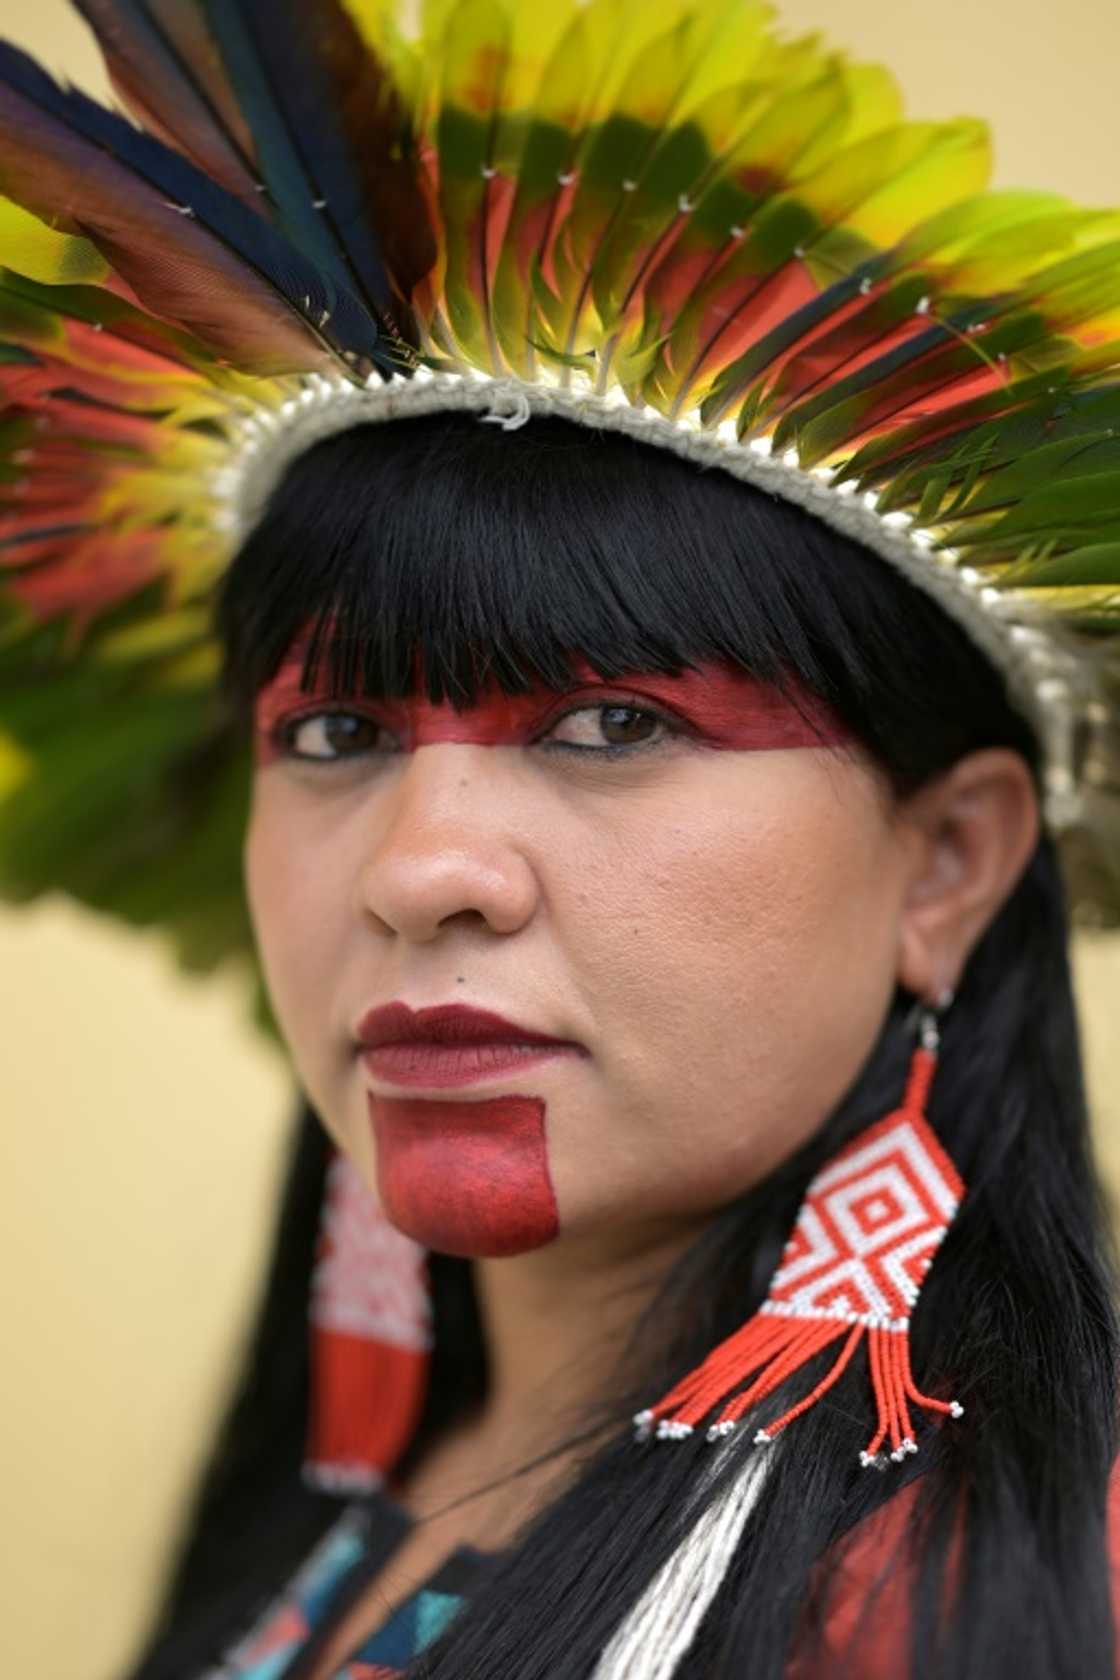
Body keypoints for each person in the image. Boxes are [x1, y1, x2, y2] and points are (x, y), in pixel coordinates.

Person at [0, 3, 1118, 1679]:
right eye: (333, 735)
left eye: (612, 724)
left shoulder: (1007, 1600)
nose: (419, 870)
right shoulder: (361, 1498)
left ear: (947, 862)